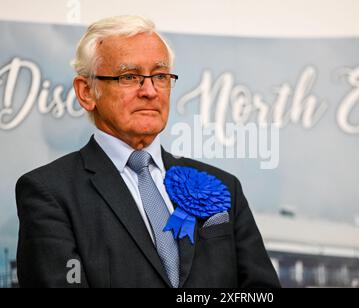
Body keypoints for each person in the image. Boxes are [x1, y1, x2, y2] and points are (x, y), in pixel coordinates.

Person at [15, 15, 280, 288]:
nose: (150, 91)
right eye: (130, 77)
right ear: (86, 92)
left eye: (160, 76)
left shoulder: (224, 187)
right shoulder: (49, 193)